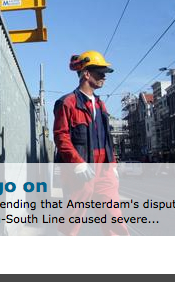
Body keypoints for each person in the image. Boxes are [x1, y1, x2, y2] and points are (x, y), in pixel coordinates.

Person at [53, 50, 128, 235]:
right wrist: (78, 164)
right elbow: (61, 136)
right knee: (74, 214)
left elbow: (106, 138)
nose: (104, 76)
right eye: (100, 72)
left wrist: (113, 165)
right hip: (80, 168)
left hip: (103, 169)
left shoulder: (100, 105)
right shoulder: (67, 103)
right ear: (87, 74)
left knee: (113, 214)